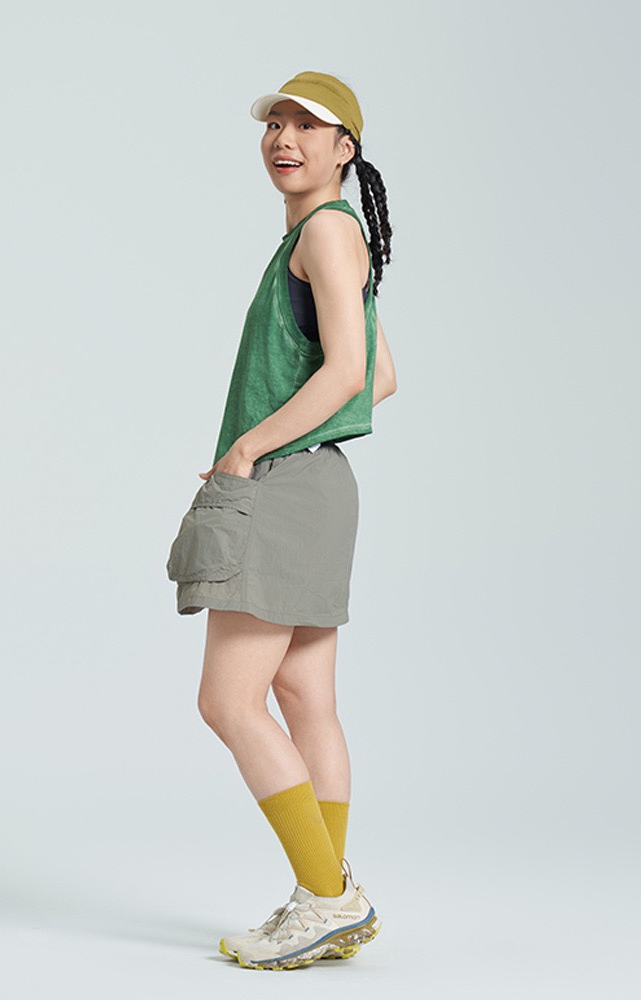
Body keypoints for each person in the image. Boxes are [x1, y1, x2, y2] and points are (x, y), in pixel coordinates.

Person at [166, 70, 397, 971]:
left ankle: (328, 897)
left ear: (345, 149)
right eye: (275, 124)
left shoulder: (327, 233)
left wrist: (248, 447)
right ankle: (325, 894)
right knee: (304, 699)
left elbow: (350, 374)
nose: (284, 138)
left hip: (286, 484)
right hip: (321, 484)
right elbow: (381, 375)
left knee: (228, 701)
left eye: (307, 125)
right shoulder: (330, 236)